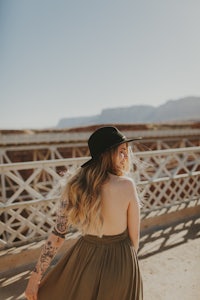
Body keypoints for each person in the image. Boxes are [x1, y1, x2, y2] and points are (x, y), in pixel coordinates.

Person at [25, 126, 143, 300]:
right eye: (122, 151)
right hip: (121, 259)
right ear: (107, 154)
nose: (126, 157)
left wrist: (35, 278)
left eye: (126, 152)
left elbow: (57, 236)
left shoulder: (74, 186)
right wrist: (129, 266)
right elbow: (134, 238)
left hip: (85, 257)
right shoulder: (127, 185)